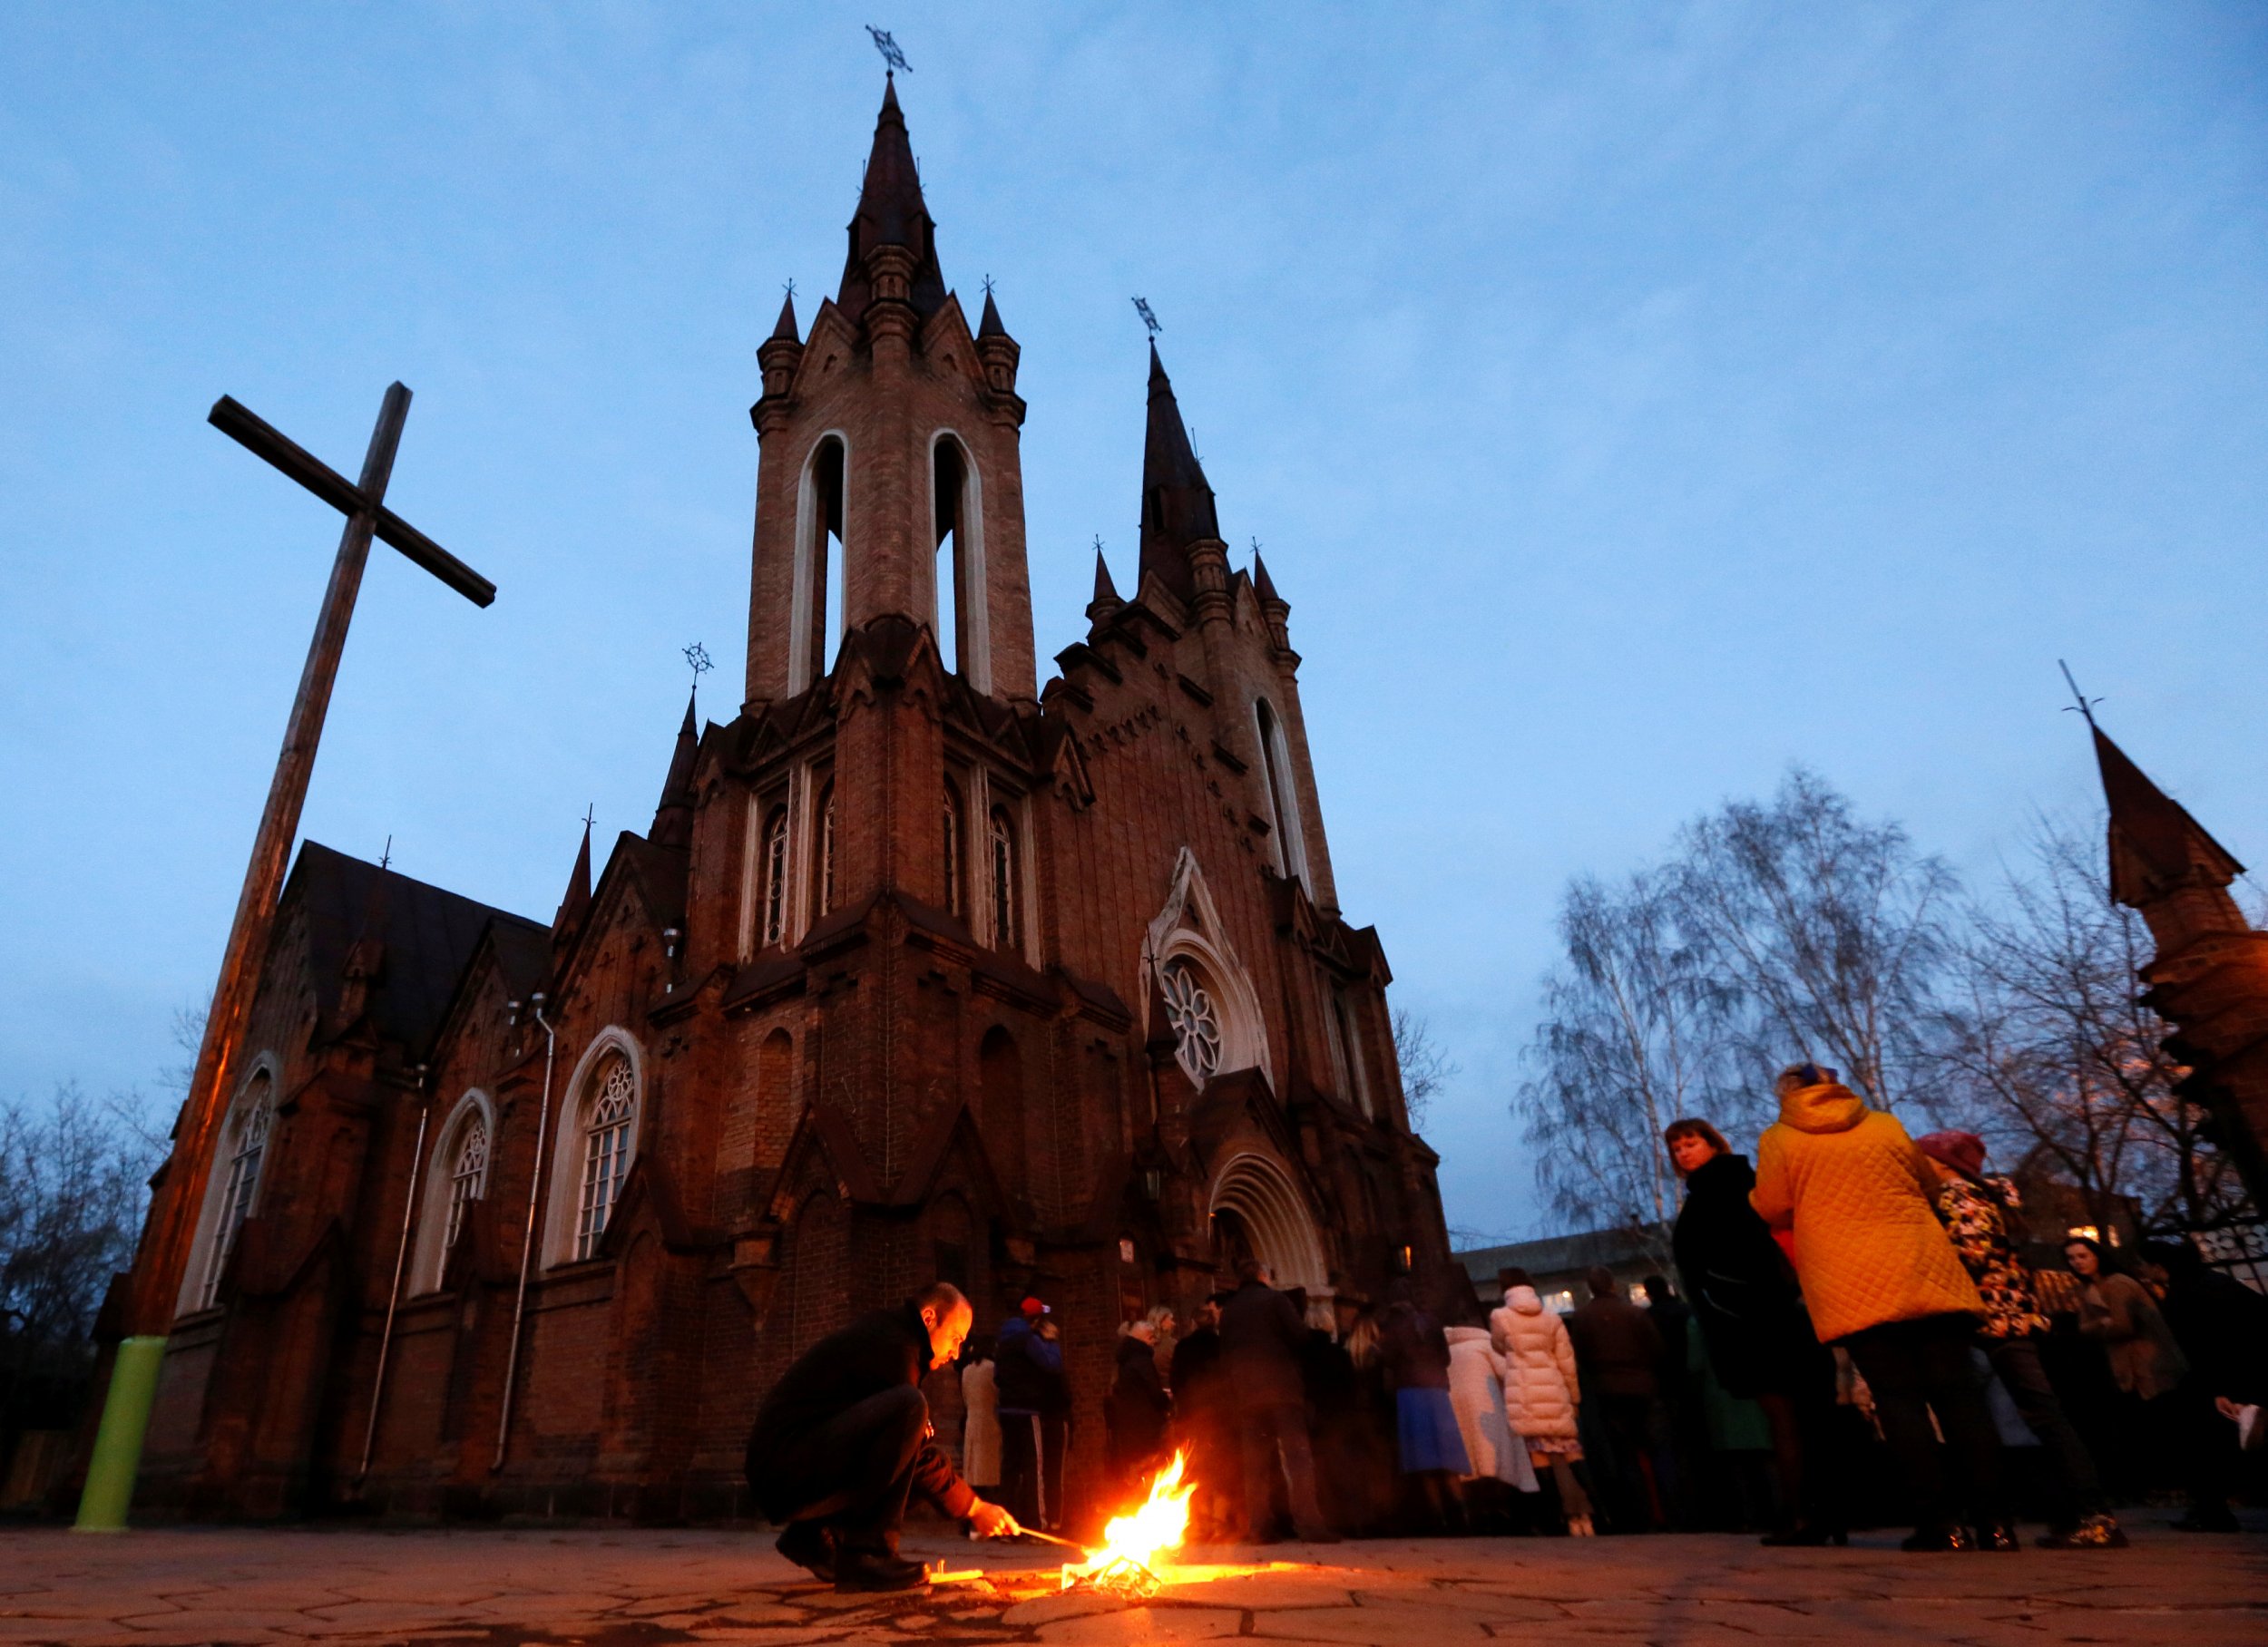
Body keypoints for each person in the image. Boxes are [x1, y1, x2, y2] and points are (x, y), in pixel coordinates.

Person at [1750, 1062, 2011, 1553]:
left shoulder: (1780, 1138)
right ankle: (1995, 1523)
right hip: (1922, 1263)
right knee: (1960, 1397)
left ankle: (1941, 1524)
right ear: (1834, 1086)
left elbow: (1771, 1207)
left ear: (1787, 1093)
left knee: (1898, 1401)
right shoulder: (1885, 1123)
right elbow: (1928, 1187)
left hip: (1851, 1278)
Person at [1914, 1132, 2125, 1549]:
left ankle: (2093, 1514)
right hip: (2017, 1317)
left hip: (1992, 1320)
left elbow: (1969, 1254)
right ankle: (2079, 1512)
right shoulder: (1995, 1197)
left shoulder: (1957, 1197)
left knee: (2036, 1416)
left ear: (1942, 1163)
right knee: (2040, 1415)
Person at [744, 1282, 1020, 1592]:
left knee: (916, 1447)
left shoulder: (898, 1339)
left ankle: (814, 1536)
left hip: (796, 1465)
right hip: (784, 1465)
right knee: (910, 1406)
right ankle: (869, 1555)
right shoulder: (894, 1346)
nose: (956, 1354)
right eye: (955, 1339)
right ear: (929, 1318)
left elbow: (909, 1457)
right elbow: (911, 1445)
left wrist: (970, 1505)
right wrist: (976, 1508)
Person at [1667, 1116, 1844, 1542]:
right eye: (1676, 1148)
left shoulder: (1722, 1191)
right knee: (1802, 1416)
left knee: (1786, 1417)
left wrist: (1721, 1300)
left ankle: (1802, 1517)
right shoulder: (1733, 1186)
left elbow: (1735, 1254)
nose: (1683, 1153)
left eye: (1690, 1143)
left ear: (1713, 1144)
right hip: (1773, 1313)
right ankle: (1823, 1514)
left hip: (1754, 1319)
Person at [2142, 1239, 2268, 1531]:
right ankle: (2212, 1507)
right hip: (2249, 1370)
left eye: (2145, 1265)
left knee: (2202, 1441)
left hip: (2225, 1377)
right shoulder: (2216, 1282)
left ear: (2159, 1267)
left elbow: (2203, 1347)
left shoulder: (2182, 1296)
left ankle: (2211, 1510)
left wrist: (2218, 1390)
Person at [1219, 1260, 1338, 1543]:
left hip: (1247, 1396)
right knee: (1298, 1458)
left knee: (1256, 1465)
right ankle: (1310, 1525)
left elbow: (1224, 1352)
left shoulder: (1229, 1311)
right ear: (1263, 1276)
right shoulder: (1276, 1300)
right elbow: (1299, 1337)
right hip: (1282, 1392)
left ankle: (1259, 1528)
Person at [1567, 1267, 1674, 1531]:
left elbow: (1579, 1356)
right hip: (1644, 1387)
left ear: (1591, 1288)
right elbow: (1658, 1349)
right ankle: (1673, 1513)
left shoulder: (1582, 1318)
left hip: (1608, 1390)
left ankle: (1641, 1517)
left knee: (1625, 1456)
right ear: (1613, 1285)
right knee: (1658, 1450)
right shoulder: (1635, 1313)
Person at [1491, 1269, 1593, 1535]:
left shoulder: (1500, 1317)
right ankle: (1591, 1513)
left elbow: (1499, 1347)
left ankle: (1556, 1518)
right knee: (1571, 1452)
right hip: (1554, 1390)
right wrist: (1574, 1398)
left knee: (1539, 1456)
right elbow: (1567, 1362)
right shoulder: (1552, 1319)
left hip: (1525, 1393)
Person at [1377, 1277, 1470, 1533]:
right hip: (1437, 1390)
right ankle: (1463, 1518)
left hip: (1410, 1392)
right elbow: (1445, 1357)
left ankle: (1439, 1520)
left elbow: (1389, 1359)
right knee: (1448, 1458)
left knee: (1424, 1461)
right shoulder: (1431, 1320)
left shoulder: (1391, 1324)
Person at [1445, 1311, 1538, 1518]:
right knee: (1495, 1453)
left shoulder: (1448, 1349)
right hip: (1487, 1406)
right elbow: (1506, 1372)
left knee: (1471, 1457)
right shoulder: (1485, 1344)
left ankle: (1477, 1512)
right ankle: (1501, 1508)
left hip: (1456, 1408)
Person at [1171, 1293, 1238, 1541]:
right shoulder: (1223, 1345)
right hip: (1221, 1417)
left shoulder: (1183, 1348)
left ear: (1192, 1323)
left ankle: (1200, 1525)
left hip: (1192, 1418)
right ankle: (1220, 1524)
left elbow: (1176, 1382)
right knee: (1221, 1471)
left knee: (1196, 1472)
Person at [994, 1295, 1065, 1531]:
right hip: (1028, 1410)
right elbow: (1051, 1364)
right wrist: (1052, 1341)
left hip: (1006, 1410)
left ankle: (1005, 1527)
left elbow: (997, 1377)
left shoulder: (1002, 1342)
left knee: (1010, 1468)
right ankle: (1037, 1524)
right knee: (1035, 1466)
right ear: (1034, 1320)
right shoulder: (1028, 1339)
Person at [1108, 1305, 1175, 1493]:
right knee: (1149, 1469)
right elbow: (1153, 1391)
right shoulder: (1142, 1360)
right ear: (1146, 1338)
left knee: (1135, 1470)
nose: (1155, 1342)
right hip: (1146, 1426)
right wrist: (1167, 1402)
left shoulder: (1125, 1360)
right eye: (1152, 1338)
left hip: (1129, 1425)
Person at [959, 1336, 1001, 1496]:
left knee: (974, 1469)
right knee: (991, 1470)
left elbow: (965, 1397)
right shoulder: (992, 1369)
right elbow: (998, 1394)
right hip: (991, 1422)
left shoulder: (967, 1371)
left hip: (972, 1422)